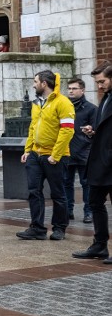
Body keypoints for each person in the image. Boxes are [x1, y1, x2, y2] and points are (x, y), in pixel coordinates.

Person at [16, 70, 75, 241]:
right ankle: (37, 228)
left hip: (55, 156)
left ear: (44, 83)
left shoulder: (63, 103)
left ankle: (59, 228)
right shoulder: (36, 103)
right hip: (36, 154)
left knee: (58, 193)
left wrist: (55, 155)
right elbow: (33, 127)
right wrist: (28, 150)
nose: (33, 85)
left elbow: (67, 131)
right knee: (34, 191)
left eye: (36, 82)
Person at [73, 63, 112, 264]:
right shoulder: (105, 99)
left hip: (109, 163)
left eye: (102, 81)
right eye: (97, 82)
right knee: (95, 202)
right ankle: (100, 244)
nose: (99, 86)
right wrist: (93, 131)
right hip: (100, 163)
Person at [63, 77, 96, 223]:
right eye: (69, 88)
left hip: (84, 151)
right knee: (66, 182)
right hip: (66, 150)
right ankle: (68, 211)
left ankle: (88, 212)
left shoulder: (91, 108)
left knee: (86, 184)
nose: (71, 91)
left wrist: (91, 130)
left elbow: (96, 130)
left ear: (82, 90)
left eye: (74, 88)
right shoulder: (63, 107)